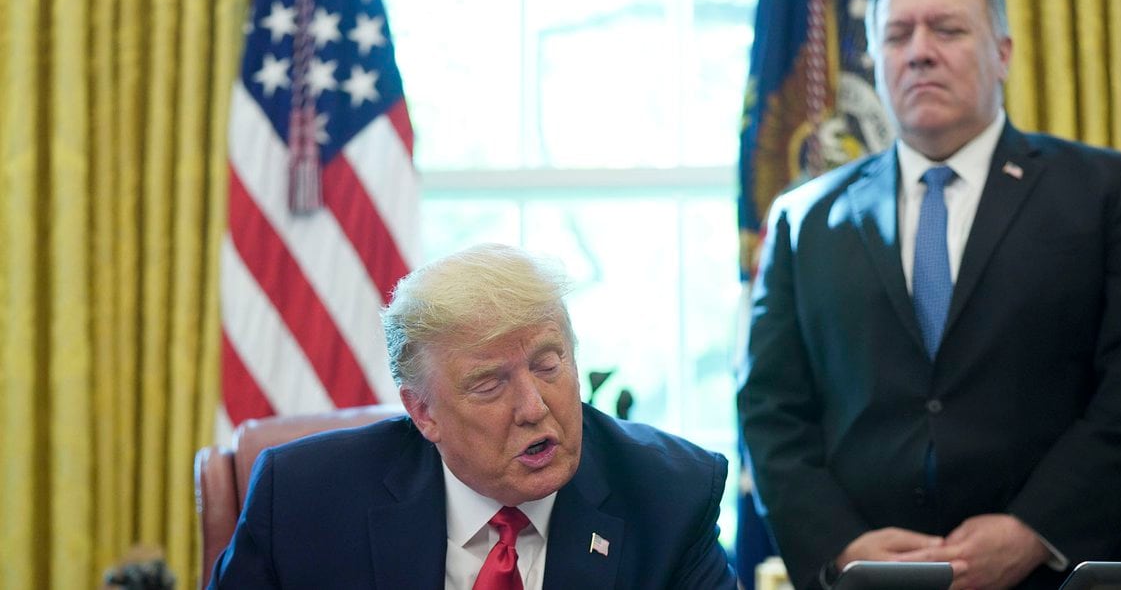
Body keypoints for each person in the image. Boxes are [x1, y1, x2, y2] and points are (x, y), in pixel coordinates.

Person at [736, 0, 1121, 589]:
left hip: (1065, 568)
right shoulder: (803, 218)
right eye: (898, 35)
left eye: (947, 29)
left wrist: (1035, 530)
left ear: (1002, 53)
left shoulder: (1105, 192)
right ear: (874, 58)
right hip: (876, 576)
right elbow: (769, 409)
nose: (920, 52)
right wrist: (841, 544)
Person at [209, 243, 737, 589]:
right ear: (422, 411)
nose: (534, 408)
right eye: (489, 385)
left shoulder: (671, 494)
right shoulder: (305, 499)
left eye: (549, 365)